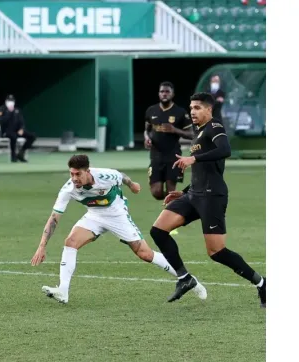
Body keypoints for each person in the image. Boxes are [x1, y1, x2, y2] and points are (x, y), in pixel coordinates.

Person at [30, 154, 207, 305]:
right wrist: (42, 246)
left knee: (145, 254)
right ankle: (63, 290)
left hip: (117, 215)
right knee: (70, 242)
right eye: (72, 173)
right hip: (94, 216)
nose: (74, 178)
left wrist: (132, 185)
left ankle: (188, 279)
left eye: (78, 174)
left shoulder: (105, 176)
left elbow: (120, 176)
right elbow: (54, 218)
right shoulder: (68, 189)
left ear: (88, 171)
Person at [150, 92, 265, 307]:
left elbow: (225, 150)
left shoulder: (215, 127)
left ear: (208, 109)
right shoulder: (199, 131)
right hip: (194, 194)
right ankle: (184, 278)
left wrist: (193, 158)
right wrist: (183, 192)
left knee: (216, 252)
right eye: (191, 108)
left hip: (212, 196)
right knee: (158, 230)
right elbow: (203, 171)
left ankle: (261, 283)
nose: (192, 112)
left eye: (197, 108)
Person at [144, 82, 194, 200]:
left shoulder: (180, 112)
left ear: (173, 94)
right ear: (158, 94)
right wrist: (147, 139)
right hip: (156, 155)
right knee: (156, 192)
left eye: (167, 92)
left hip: (173, 155)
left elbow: (192, 134)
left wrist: (174, 130)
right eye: (162, 92)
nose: (164, 94)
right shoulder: (151, 110)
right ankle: (178, 200)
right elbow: (147, 130)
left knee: (171, 191)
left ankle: (172, 212)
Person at [0, 95, 36, 163]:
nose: (11, 103)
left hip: (17, 131)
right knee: (13, 137)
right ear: (6, 101)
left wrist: (21, 129)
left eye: (12, 101)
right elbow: (1, 121)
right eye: (9, 101)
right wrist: (9, 113)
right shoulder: (2, 109)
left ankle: (21, 152)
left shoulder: (17, 110)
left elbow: (22, 122)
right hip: (6, 131)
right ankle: (13, 156)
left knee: (32, 136)